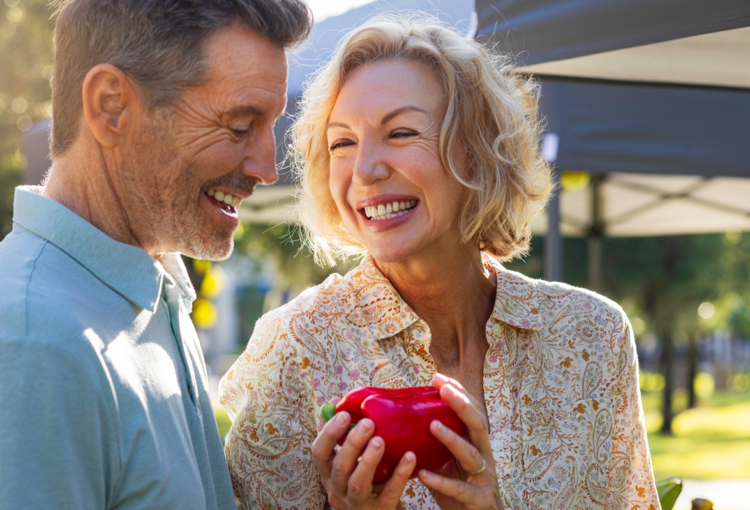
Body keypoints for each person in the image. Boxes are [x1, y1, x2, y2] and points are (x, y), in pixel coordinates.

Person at [219, 17, 659, 510]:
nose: (365, 169)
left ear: (476, 152)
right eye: (342, 142)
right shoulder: (294, 348)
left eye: (401, 132)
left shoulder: (591, 337)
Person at [0, 1, 311, 509]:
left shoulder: (148, 287)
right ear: (110, 106)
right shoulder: (35, 341)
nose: (266, 167)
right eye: (239, 126)